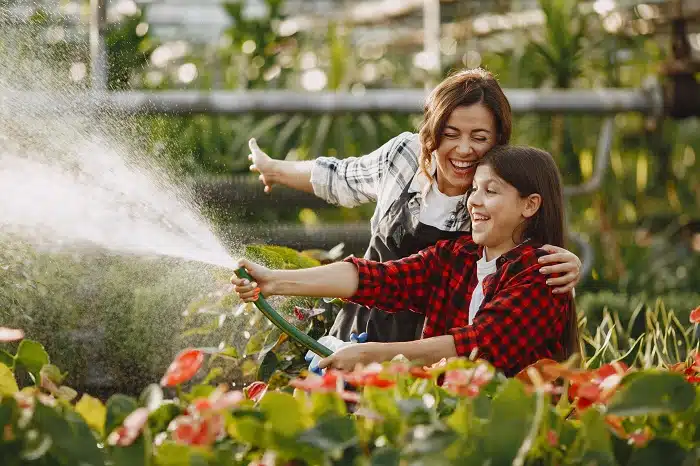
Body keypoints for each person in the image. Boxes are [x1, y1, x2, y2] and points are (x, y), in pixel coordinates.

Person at [246, 67, 581, 344]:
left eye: (479, 138)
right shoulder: (404, 157)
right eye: (450, 134)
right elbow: (339, 176)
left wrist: (568, 263)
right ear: (432, 132)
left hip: (436, 344)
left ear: (498, 141)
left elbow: (529, 248)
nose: (464, 149)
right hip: (363, 321)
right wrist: (275, 169)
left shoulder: (494, 200)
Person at [232, 145, 580, 377]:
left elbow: (475, 345)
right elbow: (380, 279)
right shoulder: (457, 257)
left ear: (530, 205)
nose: (474, 201)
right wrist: (273, 281)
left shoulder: (542, 275)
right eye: (474, 188)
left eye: (491, 191)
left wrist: (371, 357)